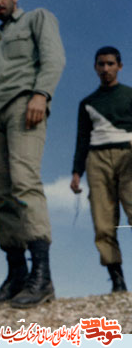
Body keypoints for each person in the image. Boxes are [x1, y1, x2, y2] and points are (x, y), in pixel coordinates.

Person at [0, 0, 65, 308]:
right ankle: (17, 274)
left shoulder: (37, 18)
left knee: (24, 182)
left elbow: (54, 57)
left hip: (24, 106)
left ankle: (42, 276)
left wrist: (41, 94)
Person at [70, 46, 132, 293]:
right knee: (103, 221)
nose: (106, 69)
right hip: (97, 159)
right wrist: (76, 172)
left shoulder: (129, 95)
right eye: (101, 64)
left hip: (128, 154)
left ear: (120, 66)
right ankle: (117, 279)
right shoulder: (88, 103)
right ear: (95, 67)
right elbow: (82, 138)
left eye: (110, 64)